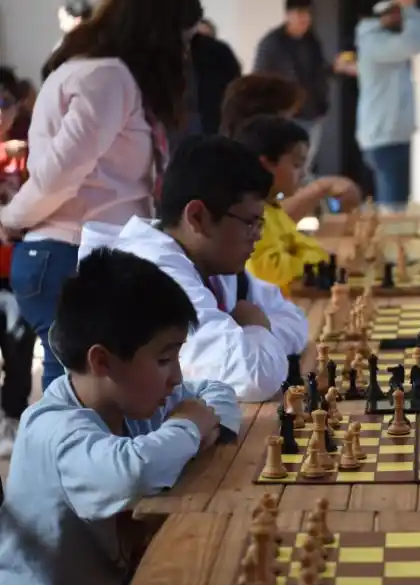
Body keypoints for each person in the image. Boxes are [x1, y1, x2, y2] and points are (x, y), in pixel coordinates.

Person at [0, 247, 240, 585]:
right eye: (163, 359)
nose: (176, 377)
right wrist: (190, 426)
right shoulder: (51, 428)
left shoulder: (131, 397)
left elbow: (217, 392)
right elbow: (132, 471)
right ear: (103, 362)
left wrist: (199, 425)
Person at [3, 0, 202, 393]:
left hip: (78, 252)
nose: (184, 52)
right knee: (79, 400)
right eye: (182, 38)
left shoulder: (113, 77)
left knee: (91, 395)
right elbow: (60, 175)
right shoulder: (105, 76)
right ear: (155, 31)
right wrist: (10, 219)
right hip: (67, 252)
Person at [78, 136, 310, 404]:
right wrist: (256, 327)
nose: (257, 236)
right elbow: (253, 377)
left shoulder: (213, 261)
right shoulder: (149, 275)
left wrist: (250, 335)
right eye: (250, 223)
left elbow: (295, 320)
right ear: (197, 217)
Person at [220, 74, 363, 219]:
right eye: (287, 118)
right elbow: (266, 220)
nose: (293, 125)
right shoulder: (228, 176)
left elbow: (329, 201)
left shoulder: (284, 172)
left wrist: (335, 198)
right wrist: (320, 189)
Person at [233, 116, 329, 296]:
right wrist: (303, 258)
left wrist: (298, 256)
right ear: (266, 165)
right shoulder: (253, 217)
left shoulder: (274, 210)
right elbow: (271, 272)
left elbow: (317, 252)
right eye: (297, 164)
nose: (303, 174)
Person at [352, 0, 420, 210]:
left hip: (390, 136)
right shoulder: (375, 42)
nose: (401, 17)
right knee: (393, 212)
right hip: (386, 139)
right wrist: (412, 9)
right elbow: (417, 41)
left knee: (395, 208)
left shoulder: (379, 41)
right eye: (397, 11)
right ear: (383, 15)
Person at [0, 68, 36, 459]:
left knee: (20, 347)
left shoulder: (26, 153)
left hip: (16, 268)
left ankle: (13, 414)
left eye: (4, 103)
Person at [253, 0, 332, 174]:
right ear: (288, 15)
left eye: (308, 14)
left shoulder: (311, 40)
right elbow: (259, 80)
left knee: (305, 167)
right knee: (287, 167)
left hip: (312, 113)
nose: (305, 19)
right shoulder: (272, 44)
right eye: (300, 14)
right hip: (286, 114)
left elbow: (318, 71)